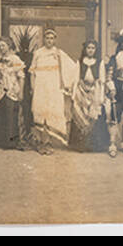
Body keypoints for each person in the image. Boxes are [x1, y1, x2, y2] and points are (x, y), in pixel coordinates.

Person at [29, 27, 78, 155]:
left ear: (55, 40)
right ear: (44, 39)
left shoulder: (59, 53)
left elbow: (72, 68)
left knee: (51, 113)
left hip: (53, 88)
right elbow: (32, 72)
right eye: (47, 38)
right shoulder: (38, 53)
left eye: (52, 38)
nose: (49, 41)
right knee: (40, 113)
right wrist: (33, 87)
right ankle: (41, 142)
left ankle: (49, 142)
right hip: (40, 88)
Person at [69, 41, 113, 154]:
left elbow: (102, 80)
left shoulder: (100, 62)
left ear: (95, 50)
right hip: (81, 91)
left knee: (95, 115)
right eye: (88, 48)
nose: (90, 50)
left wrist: (101, 96)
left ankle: (96, 145)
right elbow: (75, 79)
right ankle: (80, 145)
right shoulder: (79, 62)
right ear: (85, 49)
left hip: (95, 92)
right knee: (81, 114)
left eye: (93, 48)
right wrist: (74, 95)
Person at [0, 36, 27, 150]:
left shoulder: (15, 59)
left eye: (3, 45)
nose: (1, 48)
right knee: (0, 114)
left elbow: (21, 76)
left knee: (11, 115)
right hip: (0, 90)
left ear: (9, 46)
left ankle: (11, 142)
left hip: (11, 89)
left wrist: (21, 92)